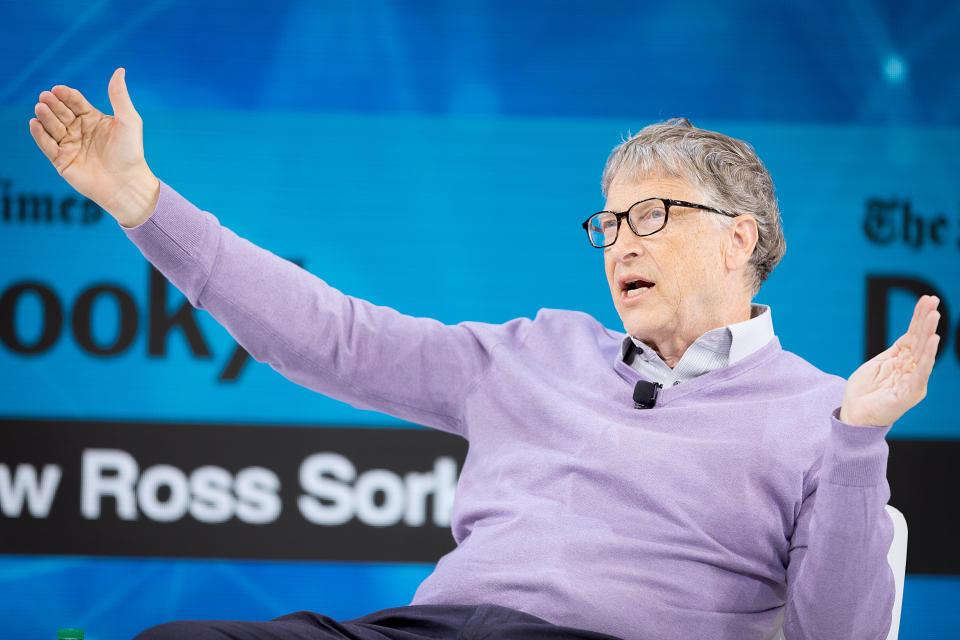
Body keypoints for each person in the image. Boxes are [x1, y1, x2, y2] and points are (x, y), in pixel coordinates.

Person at [28, 68, 940, 640]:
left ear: (740, 240)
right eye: (610, 221)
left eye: (652, 216)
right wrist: (144, 203)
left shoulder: (823, 416)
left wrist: (861, 441)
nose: (621, 242)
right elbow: (327, 335)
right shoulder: (534, 351)